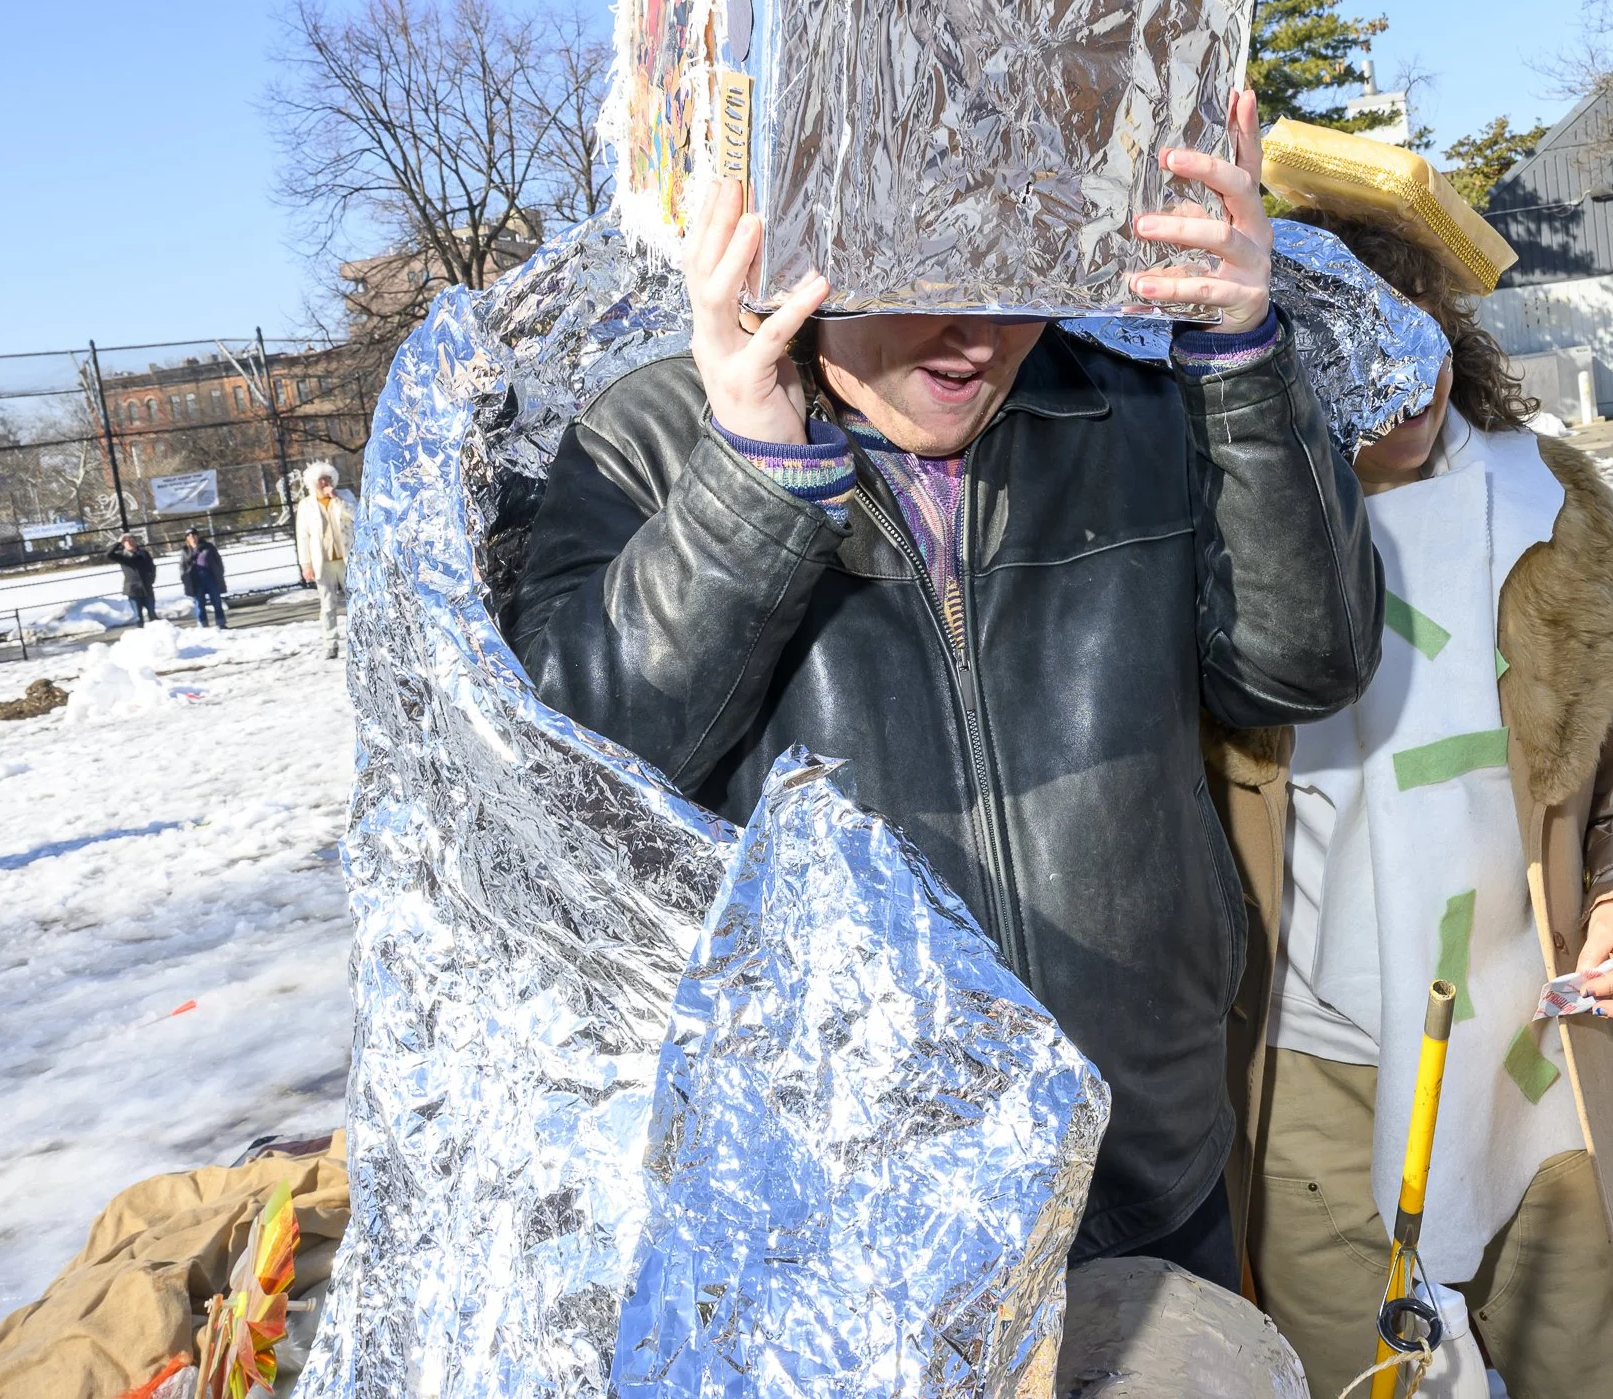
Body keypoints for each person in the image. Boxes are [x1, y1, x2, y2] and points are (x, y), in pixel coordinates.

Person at [512, 93, 1381, 1290]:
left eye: (1012, 276)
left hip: (1145, 1163)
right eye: (921, 274)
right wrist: (755, 478)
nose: (975, 335)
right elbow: (572, 790)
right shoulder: (653, 442)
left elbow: (1303, 664)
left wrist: (1240, 367)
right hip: (850, 1219)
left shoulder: (1133, 409)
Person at [1228, 153, 1613, 1399]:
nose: (1407, 374)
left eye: (1417, 325)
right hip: (1310, 1064)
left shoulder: (1549, 507)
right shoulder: (1206, 538)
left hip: (1541, 1047)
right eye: (1348, 336)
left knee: (1606, 1368)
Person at [294, 461, 357, 659]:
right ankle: (330, 643)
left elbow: (357, 516)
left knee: (355, 600)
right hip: (323, 561)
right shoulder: (306, 505)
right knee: (328, 604)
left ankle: (358, 640)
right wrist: (306, 564)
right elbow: (303, 536)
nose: (325, 483)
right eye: (321, 480)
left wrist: (337, 499)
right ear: (313, 482)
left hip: (346, 558)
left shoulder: (344, 496)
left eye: (328, 479)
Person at [100, 532, 157, 624]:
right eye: (126, 541)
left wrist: (151, 579)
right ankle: (140, 630)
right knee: (138, 616)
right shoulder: (122, 556)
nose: (130, 542)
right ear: (123, 544)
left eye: (131, 540)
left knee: (152, 614)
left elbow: (152, 567)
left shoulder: (143, 553)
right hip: (133, 589)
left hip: (147, 587)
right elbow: (108, 554)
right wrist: (118, 542)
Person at [179, 528, 227, 629]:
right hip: (196, 581)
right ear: (186, 538)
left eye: (194, 535)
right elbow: (182, 567)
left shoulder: (208, 547)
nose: (192, 537)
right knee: (199, 604)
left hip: (210, 578)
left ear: (197, 536)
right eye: (189, 536)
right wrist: (185, 580)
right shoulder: (185, 551)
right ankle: (203, 625)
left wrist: (219, 572)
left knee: (217, 602)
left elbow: (218, 560)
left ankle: (221, 623)